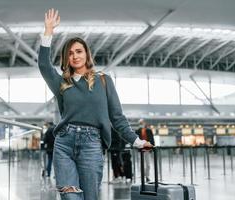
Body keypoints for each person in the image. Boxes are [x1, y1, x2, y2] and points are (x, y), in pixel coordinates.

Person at [38, 8, 153, 200]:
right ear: (66, 58)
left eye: (79, 51)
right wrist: (48, 31)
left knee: (90, 197)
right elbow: (44, 65)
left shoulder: (104, 81)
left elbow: (117, 118)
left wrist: (137, 141)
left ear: (86, 54)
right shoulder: (62, 83)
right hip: (64, 145)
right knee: (70, 198)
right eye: (70, 53)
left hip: (92, 145)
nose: (75, 56)